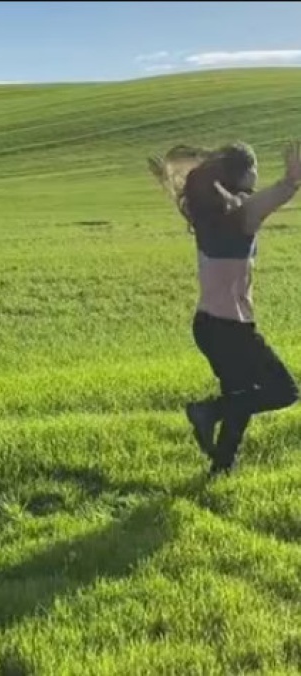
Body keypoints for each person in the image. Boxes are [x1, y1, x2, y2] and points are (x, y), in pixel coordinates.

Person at [148, 140, 301, 475]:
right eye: (254, 170)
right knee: (285, 391)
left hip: (207, 326)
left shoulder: (212, 215)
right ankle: (207, 412)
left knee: (240, 396)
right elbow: (274, 197)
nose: (257, 177)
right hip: (233, 328)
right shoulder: (241, 215)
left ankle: (222, 467)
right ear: (241, 174)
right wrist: (292, 179)